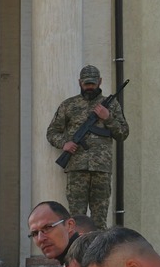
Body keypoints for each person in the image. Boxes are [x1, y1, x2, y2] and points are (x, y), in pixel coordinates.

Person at [45, 65, 129, 224]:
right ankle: (77, 249)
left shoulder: (111, 105)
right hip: (77, 168)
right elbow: (52, 132)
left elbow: (123, 133)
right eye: (86, 84)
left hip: (101, 170)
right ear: (79, 82)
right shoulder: (69, 105)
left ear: (100, 82)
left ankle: (99, 250)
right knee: (76, 220)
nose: (90, 87)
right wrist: (65, 144)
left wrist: (108, 117)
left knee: (100, 220)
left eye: (93, 83)